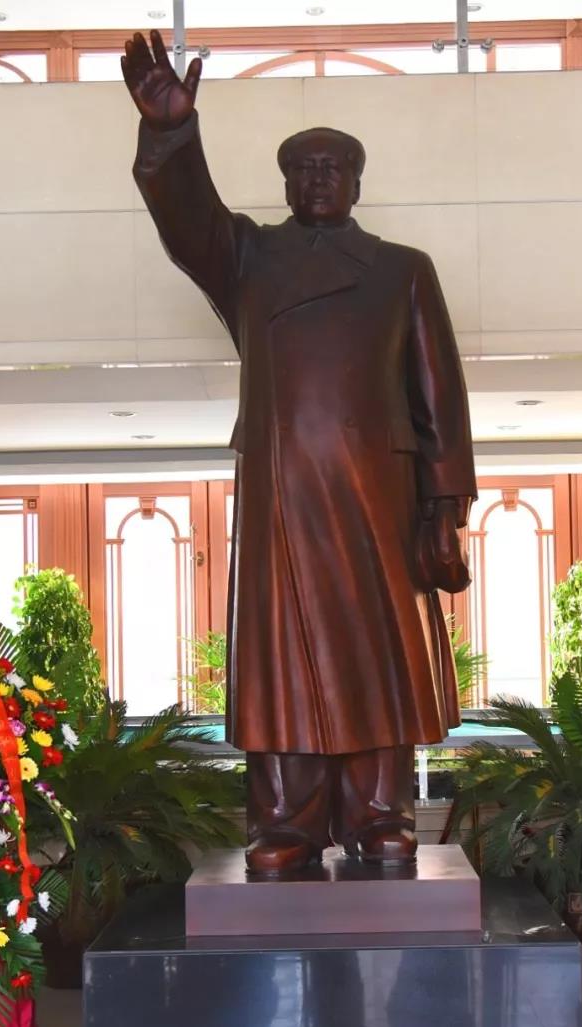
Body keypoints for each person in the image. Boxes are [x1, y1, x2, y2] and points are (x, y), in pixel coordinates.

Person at [123, 31, 477, 875]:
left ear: (357, 182)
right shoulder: (249, 257)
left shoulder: (402, 269)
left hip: (377, 493)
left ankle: (379, 813)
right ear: (285, 183)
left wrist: (443, 505)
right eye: (303, 168)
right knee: (282, 652)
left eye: (333, 166)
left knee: (375, 653)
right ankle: (285, 821)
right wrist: (172, 134)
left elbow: (439, 393)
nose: (318, 178)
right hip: (282, 488)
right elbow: (186, 221)